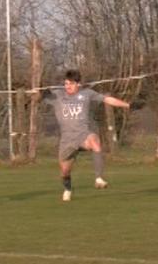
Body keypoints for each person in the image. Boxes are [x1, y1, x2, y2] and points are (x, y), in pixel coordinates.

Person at [46, 70, 131, 202]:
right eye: (66, 84)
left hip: (83, 135)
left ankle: (98, 178)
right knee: (65, 172)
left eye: (71, 84)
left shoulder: (87, 94)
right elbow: (38, 97)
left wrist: (127, 105)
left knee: (95, 142)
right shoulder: (58, 95)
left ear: (78, 84)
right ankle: (68, 189)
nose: (68, 86)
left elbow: (107, 99)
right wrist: (40, 92)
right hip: (67, 140)